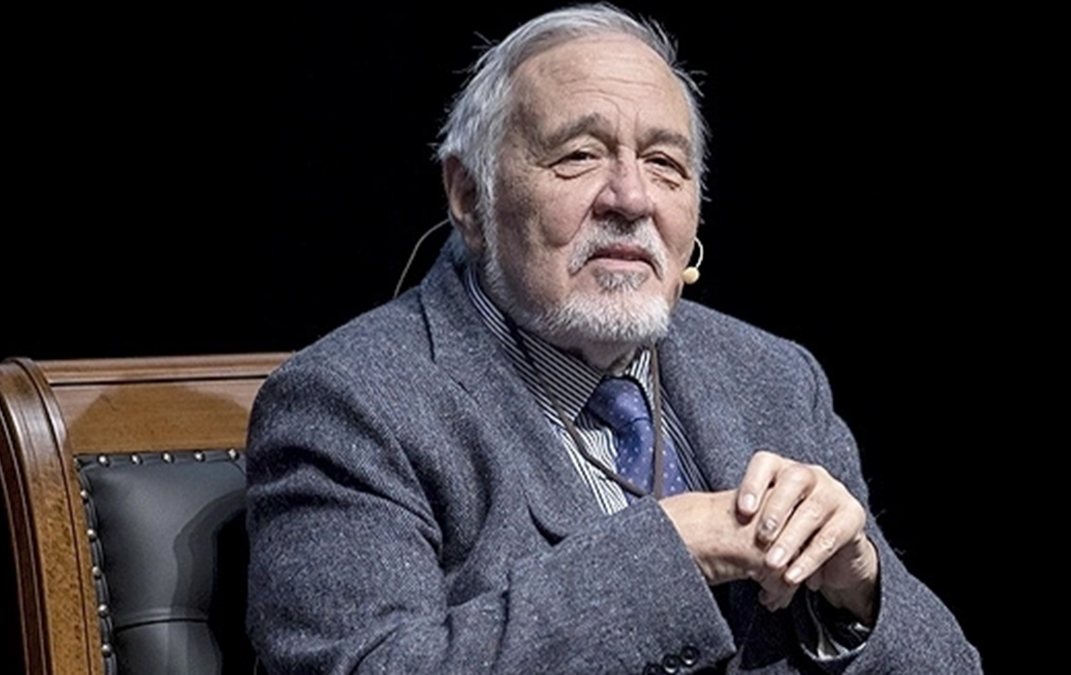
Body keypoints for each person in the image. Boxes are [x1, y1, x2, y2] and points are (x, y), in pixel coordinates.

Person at [245, 5, 981, 673]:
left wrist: (859, 589)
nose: (631, 199)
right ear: (470, 197)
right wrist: (671, 551)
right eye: (579, 155)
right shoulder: (349, 404)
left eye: (664, 164)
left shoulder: (774, 378)